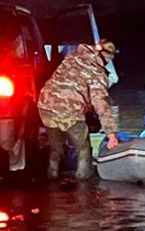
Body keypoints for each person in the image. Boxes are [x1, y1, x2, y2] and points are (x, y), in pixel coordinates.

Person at [38, 40, 121, 180]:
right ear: (106, 57)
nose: (108, 62)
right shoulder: (97, 73)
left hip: (46, 106)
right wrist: (111, 134)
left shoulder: (73, 56)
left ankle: (51, 178)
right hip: (70, 110)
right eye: (109, 58)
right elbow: (101, 105)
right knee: (83, 147)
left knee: (55, 148)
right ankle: (84, 181)